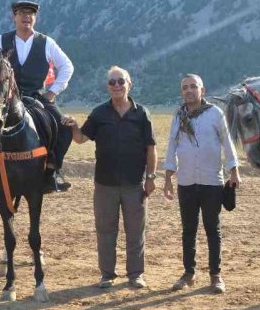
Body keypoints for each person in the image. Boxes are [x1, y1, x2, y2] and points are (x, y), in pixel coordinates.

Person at [63, 66, 156, 289]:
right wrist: (74, 125)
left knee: (135, 231)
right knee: (105, 231)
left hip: (135, 184)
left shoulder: (142, 114)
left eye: (121, 82)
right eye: (112, 82)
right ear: (107, 86)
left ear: (129, 84)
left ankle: (135, 274)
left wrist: (151, 177)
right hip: (105, 184)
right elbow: (81, 138)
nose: (116, 86)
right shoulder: (99, 113)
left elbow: (151, 148)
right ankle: (107, 275)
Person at [0, 0, 74, 192]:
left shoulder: (47, 43)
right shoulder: (1, 40)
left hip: (37, 97)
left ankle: (52, 170)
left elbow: (67, 66)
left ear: (35, 18)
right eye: (22, 13)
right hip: (5, 99)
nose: (27, 17)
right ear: (14, 17)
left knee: (65, 129)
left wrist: (52, 92)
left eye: (31, 14)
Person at [162, 74, 240, 293]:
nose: (189, 90)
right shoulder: (178, 116)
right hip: (186, 181)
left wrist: (233, 171)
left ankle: (216, 275)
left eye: (193, 86)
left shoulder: (215, 114)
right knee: (188, 230)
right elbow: (171, 146)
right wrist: (168, 178)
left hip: (211, 182)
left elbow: (227, 142)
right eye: (185, 87)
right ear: (182, 92)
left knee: (212, 229)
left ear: (202, 91)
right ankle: (188, 273)